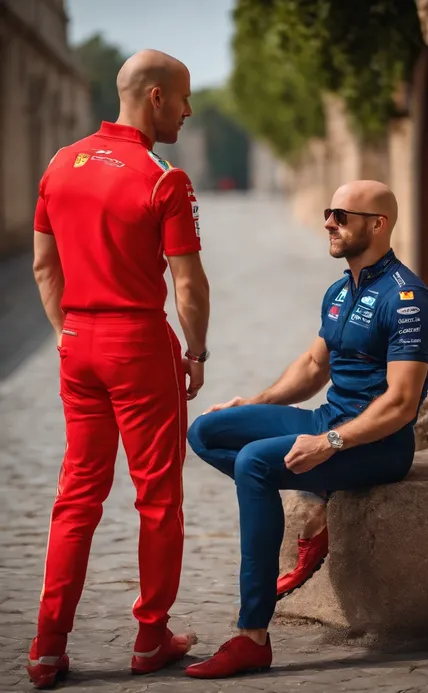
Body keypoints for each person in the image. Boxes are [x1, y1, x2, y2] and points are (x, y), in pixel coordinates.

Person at [186, 180, 428, 679]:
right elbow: (313, 365)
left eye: (342, 215)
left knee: (254, 463)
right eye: (329, 211)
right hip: (330, 420)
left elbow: (400, 403)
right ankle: (321, 489)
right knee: (209, 432)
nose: (329, 222)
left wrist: (330, 443)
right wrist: (256, 401)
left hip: (379, 444)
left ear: (378, 224)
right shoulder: (341, 289)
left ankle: (251, 636)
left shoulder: (408, 301)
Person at [27, 50, 210, 689]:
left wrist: (67, 332)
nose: (188, 111)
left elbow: (44, 268)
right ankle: (151, 636)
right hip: (137, 345)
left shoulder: (59, 163)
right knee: (157, 496)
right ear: (155, 96)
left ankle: (47, 647)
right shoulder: (163, 178)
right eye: (183, 98)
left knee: (76, 496)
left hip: (78, 340)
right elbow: (187, 282)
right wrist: (196, 350)